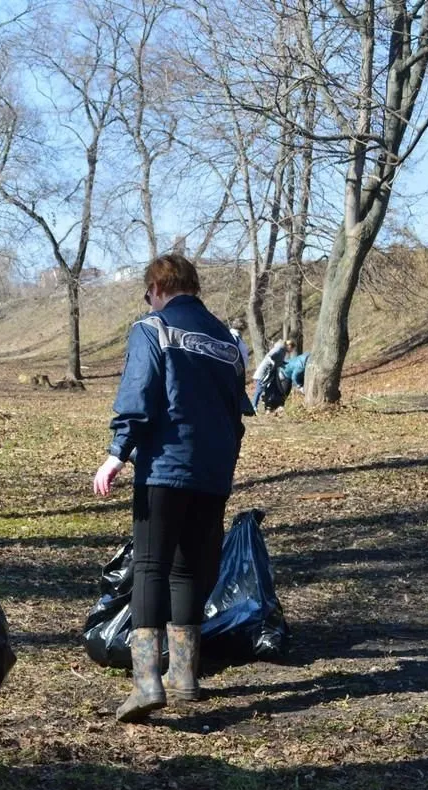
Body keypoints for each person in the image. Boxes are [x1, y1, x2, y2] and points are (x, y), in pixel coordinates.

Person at [92, 254, 251, 723]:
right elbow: (238, 411)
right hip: (213, 471)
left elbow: (140, 395)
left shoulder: (152, 329)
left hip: (164, 467)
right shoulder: (227, 339)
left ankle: (146, 684)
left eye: (148, 294)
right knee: (188, 572)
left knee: (150, 568)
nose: (149, 301)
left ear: (158, 287)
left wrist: (118, 452)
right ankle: (185, 678)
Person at [251, 339, 294, 411]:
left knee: (271, 389)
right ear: (289, 346)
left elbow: (278, 360)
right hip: (264, 372)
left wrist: (283, 364)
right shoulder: (279, 348)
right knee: (259, 389)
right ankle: (253, 406)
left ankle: (268, 405)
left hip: (271, 373)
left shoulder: (283, 351)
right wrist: (273, 363)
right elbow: (269, 356)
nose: (292, 351)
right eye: (292, 349)